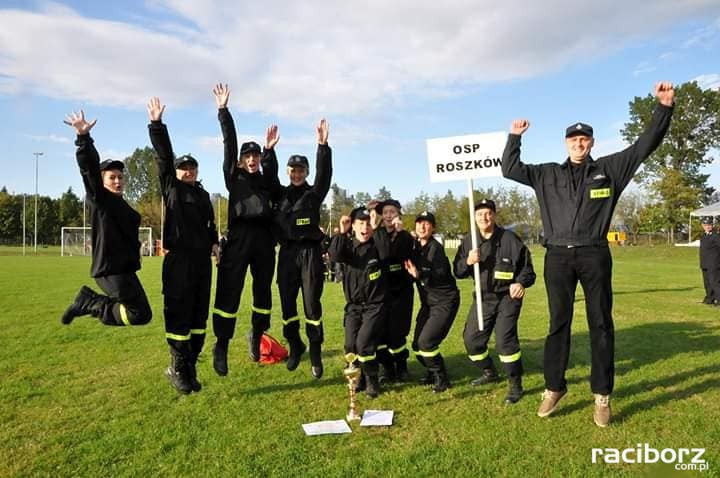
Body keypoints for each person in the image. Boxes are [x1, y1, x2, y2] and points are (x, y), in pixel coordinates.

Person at [501, 82, 675, 426]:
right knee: (558, 325)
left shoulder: (609, 170)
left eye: (584, 140)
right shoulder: (547, 173)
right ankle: (554, 387)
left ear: (592, 143)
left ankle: (602, 395)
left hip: (594, 254)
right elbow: (509, 169)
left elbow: (645, 146)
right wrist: (514, 137)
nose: (579, 144)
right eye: (573, 140)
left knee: (600, 324)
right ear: (566, 144)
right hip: (558, 258)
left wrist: (664, 108)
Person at [147, 97, 219, 394]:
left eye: (192, 167)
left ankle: (190, 365)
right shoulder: (172, 189)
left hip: (202, 262)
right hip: (178, 261)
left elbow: (210, 225)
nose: (188, 171)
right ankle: (177, 366)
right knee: (177, 313)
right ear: (176, 172)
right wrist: (157, 125)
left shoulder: (203, 196)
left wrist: (214, 245)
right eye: (183, 168)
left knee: (199, 316)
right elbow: (164, 157)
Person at [209, 83, 280, 376]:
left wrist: (269, 152)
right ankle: (222, 345)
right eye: (247, 156)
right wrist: (224, 111)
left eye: (256, 156)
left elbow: (274, 175)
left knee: (262, 294)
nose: (252, 160)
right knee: (229, 293)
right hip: (238, 240)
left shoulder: (266, 180)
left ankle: (256, 334)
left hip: (264, 241)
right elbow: (229, 143)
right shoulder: (232, 176)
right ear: (240, 160)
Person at [60, 110, 152, 328]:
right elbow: (89, 170)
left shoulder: (120, 203)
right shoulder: (101, 199)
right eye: (112, 177)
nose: (118, 181)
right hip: (111, 270)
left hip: (124, 269)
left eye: (120, 177)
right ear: (102, 182)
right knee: (139, 314)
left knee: (142, 314)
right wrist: (83, 139)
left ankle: (90, 301)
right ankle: (89, 302)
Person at [453, 199, 535, 403]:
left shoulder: (510, 239)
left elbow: (528, 270)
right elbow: (458, 271)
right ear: (475, 218)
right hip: (483, 298)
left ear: (494, 216)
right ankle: (489, 372)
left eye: (488, 213)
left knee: (504, 342)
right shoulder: (468, 241)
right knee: (472, 341)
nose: (484, 218)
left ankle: (515, 384)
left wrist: (520, 283)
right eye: (480, 214)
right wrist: (468, 261)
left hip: (508, 297)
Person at [271, 119, 332, 378]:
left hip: (310, 254)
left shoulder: (314, 194)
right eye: (293, 170)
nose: (297, 174)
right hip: (286, 255)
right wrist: (269, 151)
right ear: (287, 172)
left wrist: (322, 146)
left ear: (306, 172)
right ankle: (295, 345)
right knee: (287, 306)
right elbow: (267, 175)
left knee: (311, 306)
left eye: (301, 170)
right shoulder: (280, 194)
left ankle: (315, 351)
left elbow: (325, 174)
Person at [328, 207, 391, 398]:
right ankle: (358, 378)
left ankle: (372, 379)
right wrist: (341, 231)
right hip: (354, 307)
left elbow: (386, 254)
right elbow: (334, 256)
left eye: (367, 223)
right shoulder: (347, 247)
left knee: (364, 343)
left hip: (375, 305)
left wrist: (377, 227)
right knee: (350, 345)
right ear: (354, 226)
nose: (365, 227)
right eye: (360, 223)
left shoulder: (377, 245)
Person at [404, 211, 460, 393]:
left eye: (427, 224)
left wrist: (419, 274)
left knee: (426, 343)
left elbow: (440, 273)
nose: (422, 226)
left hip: (444, 302)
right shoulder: (415, 247)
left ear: (433, 228)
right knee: (417, 346)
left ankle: (441, 378)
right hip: (428, 304)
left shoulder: (436, 249)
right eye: (419, 223)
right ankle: (431, 370)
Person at [369, 199, 414, 383]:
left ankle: (402, 367)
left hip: (402, 290)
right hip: (381, 291)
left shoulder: (406, 236)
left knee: (398, 332)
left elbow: (404, 254)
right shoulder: (376, 234)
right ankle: (386, 368)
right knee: (380, 332)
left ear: (398, 214)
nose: (388, 215)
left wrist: (401, 233)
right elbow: (382, 254)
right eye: (385, 212)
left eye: (392, 212)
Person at [699, 216, 720, 305]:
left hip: (714, 264)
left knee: (714, 282)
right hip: (705, 263)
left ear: (712, 225)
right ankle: (709, 298)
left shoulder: (716, 236)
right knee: (707, 283)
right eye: (705, 225)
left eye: (709, 225)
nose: (707, 226)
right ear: (702, 225)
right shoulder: (703, 236)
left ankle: (719, 300)